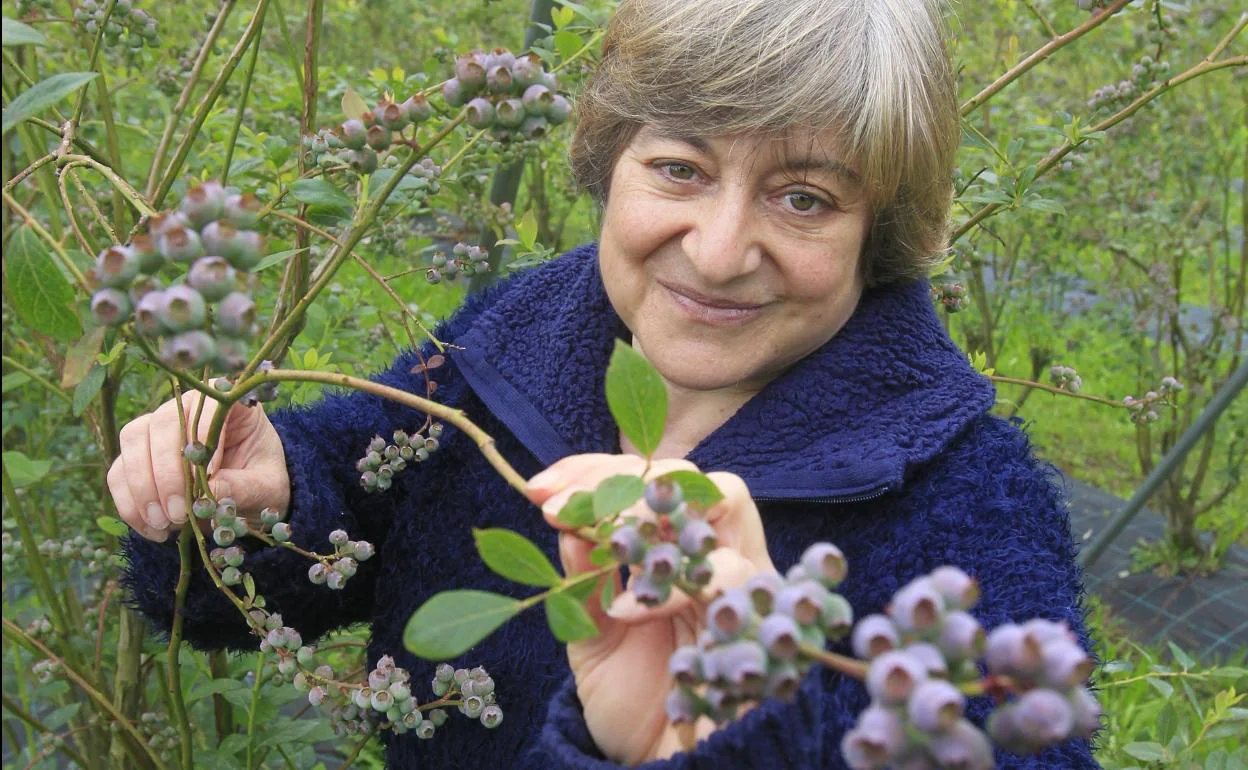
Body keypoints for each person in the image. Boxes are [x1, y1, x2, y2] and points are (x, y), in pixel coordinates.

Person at [113, 0, 1104, 767]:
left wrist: (748, 728)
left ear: (876, 231)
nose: (718, 253)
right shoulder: (521, 331)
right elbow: (333, 494)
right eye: (679, 167)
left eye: (804, 196)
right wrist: (250, 496)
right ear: (608, 161)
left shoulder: (974, 511)